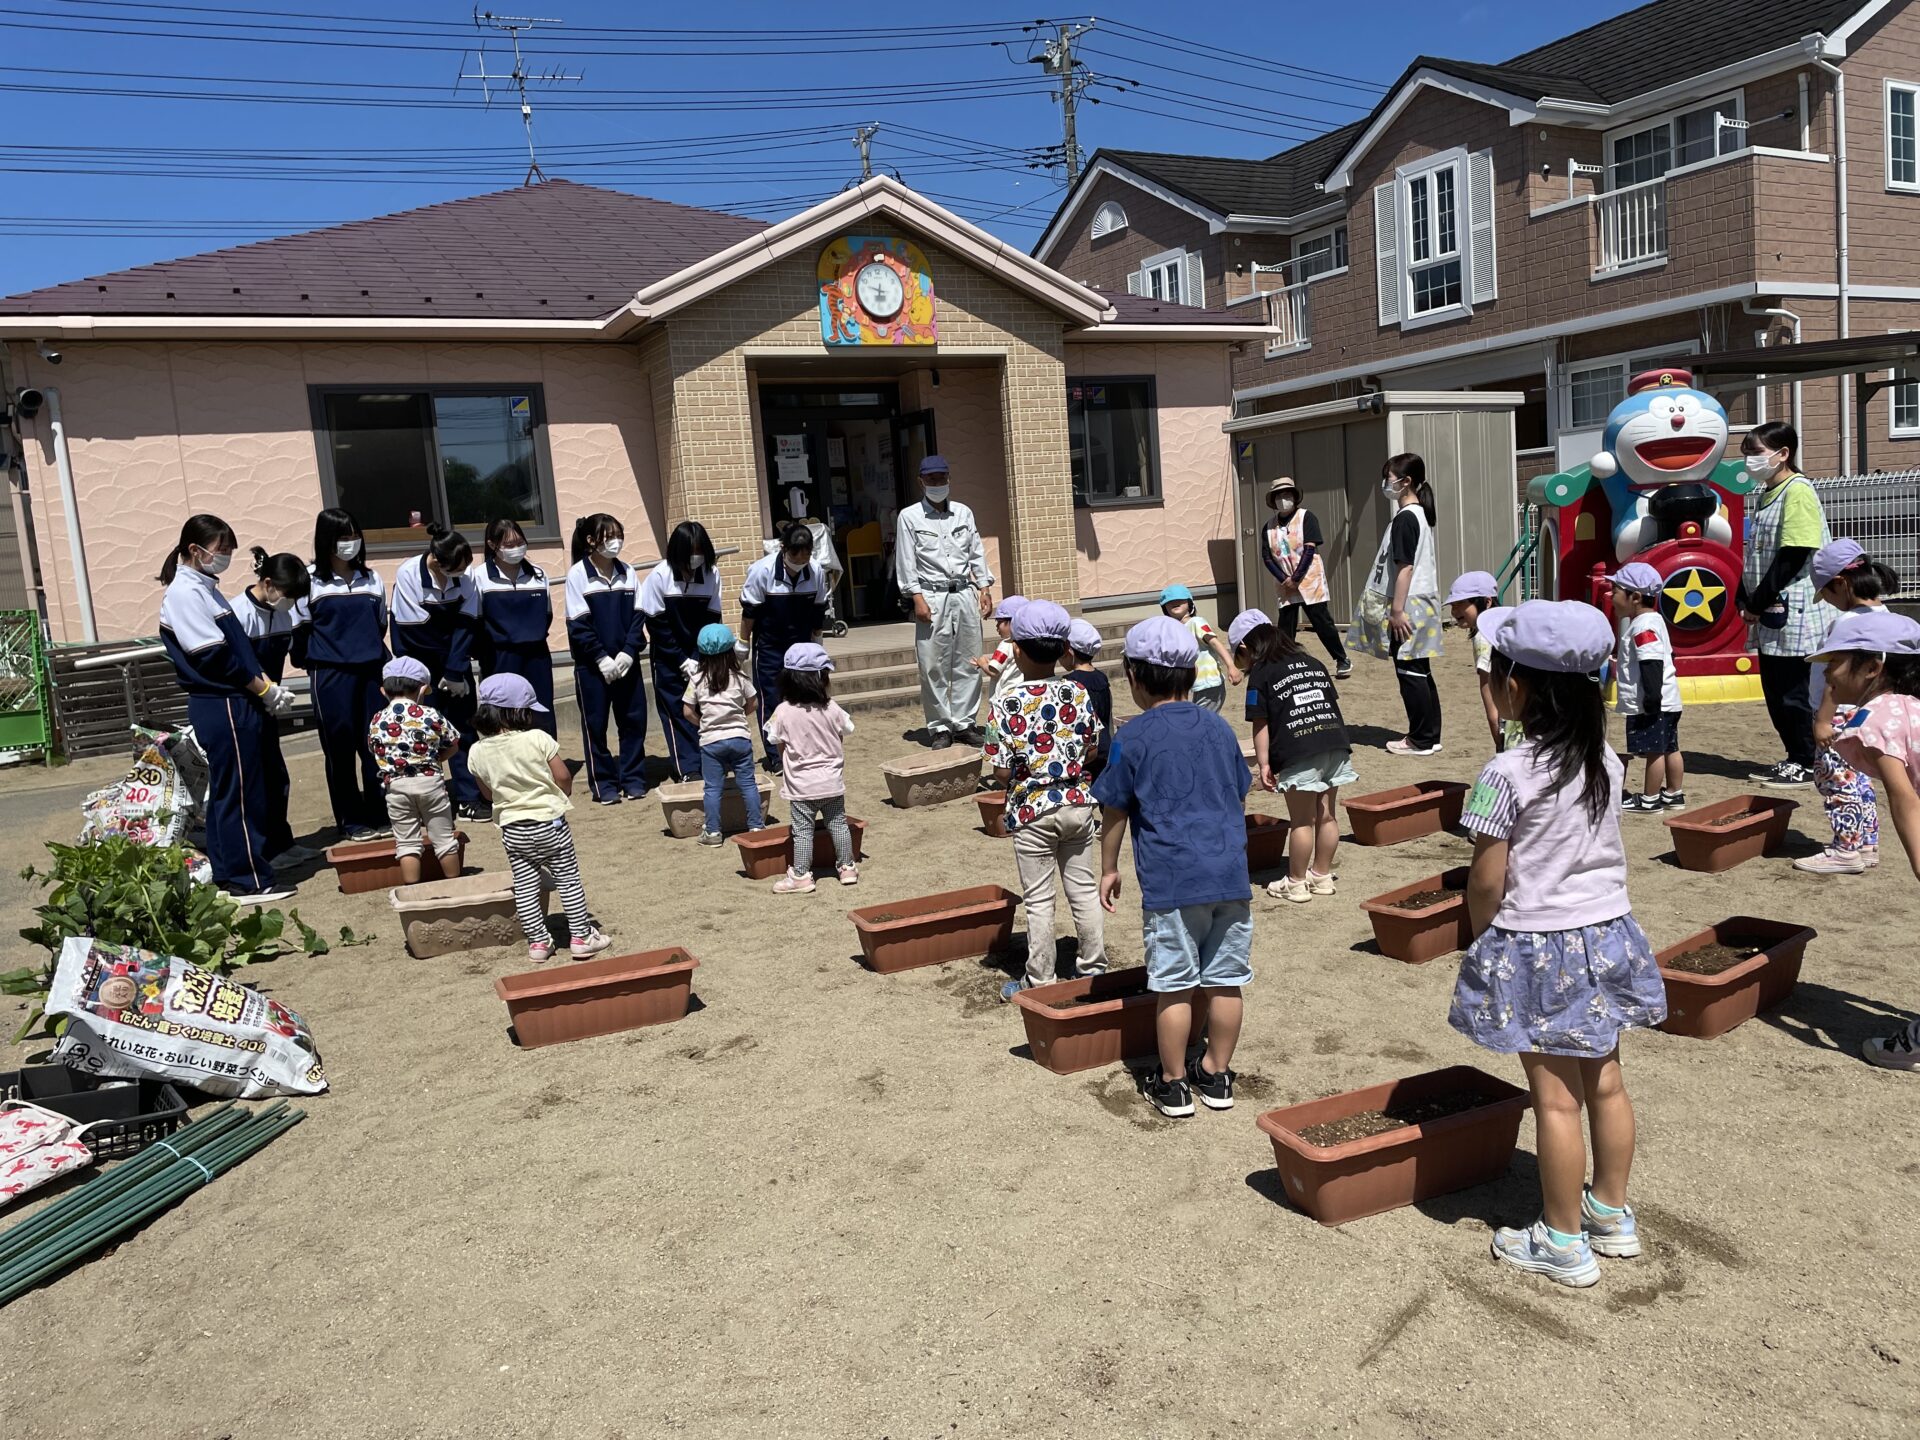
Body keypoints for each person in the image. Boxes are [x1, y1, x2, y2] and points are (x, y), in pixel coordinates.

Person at [1450, 600, 1668, 1287]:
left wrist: (1484, 938)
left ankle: (1563, 1241)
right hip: (1606, 933)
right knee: (1605, 1080)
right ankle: (1611, 1211)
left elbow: (1487, 877)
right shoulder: (1606, 757)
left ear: (1516, 687)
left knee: (1554, 1099)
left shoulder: (1505, 774)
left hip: (1537, 944)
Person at [1094, 616, 1252, 1119]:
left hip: (1171, 881)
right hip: (1229, 874)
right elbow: (1240, 788)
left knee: (1174, 983)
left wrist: (1108, 867)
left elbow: (1114, 807)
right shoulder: (1220, 728)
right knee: (1226, 980)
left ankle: (1173, 1081)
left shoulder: (1131, 737)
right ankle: (1218, 1073)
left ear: (1135, 677)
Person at [156, 515, 295, 904]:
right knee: (241, 792)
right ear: (194, 550)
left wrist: (262, 685)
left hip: (232, 700)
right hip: (222, 701)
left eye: (230, 551)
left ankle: (228, 869)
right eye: (221, 551)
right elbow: (213, 656)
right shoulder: (185, 593)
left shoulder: (205, 588)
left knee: (230, 790)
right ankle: (246, 878)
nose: (226, 557)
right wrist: (262, 687)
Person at [985, 600, 1107, 1001]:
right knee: (1083, 890)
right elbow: (1093, 748)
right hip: (1078, 801)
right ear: (1063, 650)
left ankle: (1040, 979)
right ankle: (1093, 968)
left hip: (1031, 809)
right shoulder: (1078, 691)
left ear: (1016, 649)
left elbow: (999, 771)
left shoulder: (1004, 703)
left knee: (1039, 899)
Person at [1820, 609, 1920, 1067]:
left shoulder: (1879, 715)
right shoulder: (1911, 704)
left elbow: (1903, 798)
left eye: (1834, 662)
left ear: (1872, 667)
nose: (1826, 672)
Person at [468, 672, 612, 964]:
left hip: (512, 828)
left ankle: (538, 942)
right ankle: (582, 937)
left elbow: (487, 793)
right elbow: (562, 776)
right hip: (549, 823)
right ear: (519, 712)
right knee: (568, 880)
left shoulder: (477, 751)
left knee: (524, 885)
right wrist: (562, 793)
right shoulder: (538, 739)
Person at [1229, 607, 1353, 904]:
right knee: (1327, 815)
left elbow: (1261, 723)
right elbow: (1330, 702)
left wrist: (1264, 763)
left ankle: (1295, 882)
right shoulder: (1313, 662)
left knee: (1301, 820)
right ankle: (1321, 875)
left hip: (1299, 750)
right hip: (1334, 742)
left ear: (1246, 648)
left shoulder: (1260, 673)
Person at [1736, 421, 1830, 788]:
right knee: (1775, 688)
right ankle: (1795, 755)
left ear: (1783, 453)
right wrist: (1744, 594)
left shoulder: (1797, 491)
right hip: (1770, 610)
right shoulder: (1766, 494)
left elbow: (1794, 553)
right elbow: (1758, 553)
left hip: (1794, 607)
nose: (1749, 461)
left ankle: (1807, 760)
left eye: (1756, 453)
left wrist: (1758, 599)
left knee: (1794, 690)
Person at [1798, 539, 1897, 875]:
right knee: (1859, 779)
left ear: (1840, 583)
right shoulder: (1884, 614)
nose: (1827, 601)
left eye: (1825, 593)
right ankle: (1866, 843)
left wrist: (1823, 719)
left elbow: (1835, 677)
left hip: (1838, 712)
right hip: (1865, 711)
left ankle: (1845, 850)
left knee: (1835, 781)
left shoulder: (1848, 623)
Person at [292, 508, 388, 842]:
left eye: (354, 535)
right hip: (330, 675)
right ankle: (351, 821)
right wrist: (319, 661)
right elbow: (300, 632)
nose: (350, 543)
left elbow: (380, 624)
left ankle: (380, 813)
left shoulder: (371, 578)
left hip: (371, 671)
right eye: (342, 536)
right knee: (339, 749)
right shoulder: (308, 580)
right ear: (326, 540)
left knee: (376, 745)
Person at [894, 455, 995, 750]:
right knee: (932, 664)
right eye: (931, 479)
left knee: (969, 660)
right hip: (931, 595)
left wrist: (984, 587)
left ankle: (964, 723)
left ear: (949, 479)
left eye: (941, 478)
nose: (937, 483)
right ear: (921, 481)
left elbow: (976, 551)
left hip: (964, 593)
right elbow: (906, 560)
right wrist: (916, 597)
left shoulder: (963, 513)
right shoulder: (909, 517)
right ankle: (939, 726)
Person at [1349, 453, 1444, 756]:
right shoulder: (1419, 515)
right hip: (1423, 601)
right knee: (1420, 670)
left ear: (1406, 482)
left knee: (1410, 671)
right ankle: (1430, 734)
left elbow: (1404, 568)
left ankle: (1420, 739)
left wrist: (1397, 611)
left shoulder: (1406, 518)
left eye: (1389, 477)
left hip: (1409, 605)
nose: (1385, 483)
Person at [389, 524, 485, 819]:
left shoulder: (464, 577)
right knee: (421, 735)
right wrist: (443, 671)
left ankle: (469, 797)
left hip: (456, 664)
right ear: (435, 559)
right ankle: (426, 805)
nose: (461, 574)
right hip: (420, 668)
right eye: (454, 569)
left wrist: (456, 671)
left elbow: (468, 624)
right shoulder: (408, 575)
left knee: (463, 731)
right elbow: (415, 632)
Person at [233, 548, 316, 869]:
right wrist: (264, 690)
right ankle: (261, 849)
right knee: (252, 779)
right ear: (267, 583)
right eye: (288, 594)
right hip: (245, 703)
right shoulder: (238, 613)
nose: (290, 602)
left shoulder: (282, 612)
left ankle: (282, 842)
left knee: (276, 775)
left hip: (271, 703)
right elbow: (240, 663)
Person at [565, 513, 649, 805]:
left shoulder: (628, 571)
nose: (616, 542)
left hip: (628, 664)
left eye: (618, 535)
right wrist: (601, 657)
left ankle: (634, 779)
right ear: (591, 541)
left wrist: (628, 652)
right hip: (592, 668)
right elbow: (578, 624)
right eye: (608, 536)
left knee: (633, 721)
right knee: (596, 726)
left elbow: (639, 617)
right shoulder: (578, 575)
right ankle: (604, 784)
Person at [764, 643, 858, 894]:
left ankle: (802, 875)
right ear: (822, 678)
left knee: (802, 831)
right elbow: (844, 732)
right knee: (838, 824)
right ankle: (847, 867)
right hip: (831, 782)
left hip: (801, 786)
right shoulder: (831, 708)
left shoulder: (782, 712)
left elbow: (776, 742)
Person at [740, 522, 830, 771]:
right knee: (771, 700)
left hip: (801, 646)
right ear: (783, 549)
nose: (801, 560)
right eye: (795, 554)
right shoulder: (761, 571)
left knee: (804, 698)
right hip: (769, 645)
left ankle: (802, 749)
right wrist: (742, 642)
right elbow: (749, 612)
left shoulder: (816, 572)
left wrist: (818, 642)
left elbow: (818, 611)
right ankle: (775, 755)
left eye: (807, 554)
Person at [365, 656, 460, 887]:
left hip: (395, 785)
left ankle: (413, 890)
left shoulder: (377, 719)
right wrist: (438, 759)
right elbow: (454, 742)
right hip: (430, 782)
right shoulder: (430, 714)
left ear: (382, 691)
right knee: (444, 839)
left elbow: (373, 749)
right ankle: (456, 885)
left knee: (406, 843)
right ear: (424, 688)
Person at [643, 520, 724, 782]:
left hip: (702, 654)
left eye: (700, 550)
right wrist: (681, 660)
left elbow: (713, 619)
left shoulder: (711, 574)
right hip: (668, 657)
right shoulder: (659, 576)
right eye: (690, 551)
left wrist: (700, 657)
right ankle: (688, 769)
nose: (695, 557)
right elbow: (657, 625)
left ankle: (708, 762)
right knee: (676, 711)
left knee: (705, 709)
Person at [1609, 563, 1685, 815]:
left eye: (1615, 591)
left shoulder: (1643, 627)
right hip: (1668, 701)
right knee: (1669, 746)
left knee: (1654, 750)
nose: (1611, 597)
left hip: (1653, 701)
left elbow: (1650, 661)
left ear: (1636, 597)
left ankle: (1650, 798)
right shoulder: (1654, 622)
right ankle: (1674, 793)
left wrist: (1652, 698)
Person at [683, 622, 765, 847]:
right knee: (747, 784)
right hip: (739, 737)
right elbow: (754, 703)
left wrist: (703, 723)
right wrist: (739, 716)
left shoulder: (697, 679)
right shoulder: (739, 676)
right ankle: (756, 826)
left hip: (711, 741)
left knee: (712, 788)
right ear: (730, 651)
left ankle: (713, 833)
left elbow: (687, 711)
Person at [1260, 477, 1350, 678]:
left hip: (1308, 580)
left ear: (1294, 496)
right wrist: (1285, 578)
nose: (1284, 499)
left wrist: (1297, 577)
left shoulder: (1306, 517)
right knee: (1286, 625)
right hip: (1284, 583)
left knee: (1321, 621)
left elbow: (1310, 549)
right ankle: (1284, 663)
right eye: (1279, 496)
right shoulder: (1268, 526)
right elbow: (1267, 557)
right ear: (1273, 501)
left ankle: (1341, 659)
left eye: (1287, 494)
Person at [472, 518, 555, 738]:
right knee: (503, 712)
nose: (516, 548)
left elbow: (547, 615)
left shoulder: (538, 574)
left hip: (536, 654)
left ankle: (545, 761)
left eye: (520, 542)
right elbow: (476, 621)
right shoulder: (479, 577)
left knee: (540, 709)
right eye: (509, 545)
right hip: (499, 655)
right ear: (492, 545)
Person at [1446, 571, 1516, 754]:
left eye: (1462, 604)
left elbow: (1488, 689)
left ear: (1487, 602)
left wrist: (1498, 739)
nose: (1455, 612)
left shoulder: (1483, 637)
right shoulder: (1509, 624)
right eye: (1453, 605)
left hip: (1511, 720)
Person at [1157, 585, 1240, 712]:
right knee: (1201, 721)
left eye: (1180, 599)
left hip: (1209, 682)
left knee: (1202, 720)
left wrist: (1231, 665)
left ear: (1190, 603)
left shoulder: (1196, 622)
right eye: (1169, 601)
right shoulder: (1173, 630)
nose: (1174, 602)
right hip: (1194, 685)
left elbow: (1215, 643)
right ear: (1164, 608)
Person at [974, 595, 1028, 746]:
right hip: (1022, 696)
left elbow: (993, 670)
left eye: (999, 623)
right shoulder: (1028, 644)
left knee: (994, 729)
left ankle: (991, 749)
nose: (997, 627)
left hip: (1001, 699)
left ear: (1013, 623)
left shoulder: (1005, 645)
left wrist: (982, 662)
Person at [1065, 618, 1113, 779]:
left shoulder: (1069, 683)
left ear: (1069, 650)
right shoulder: (1101, 677)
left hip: (1086, 752)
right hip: (1106, 746)